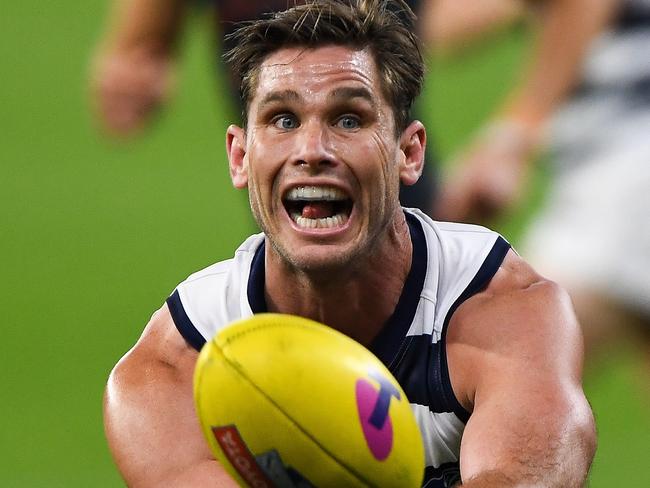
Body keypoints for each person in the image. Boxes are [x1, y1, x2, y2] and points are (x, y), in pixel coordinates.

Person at [103, 1, 596, 486]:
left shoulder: (501, 309)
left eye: (348, 120)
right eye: (283, 120)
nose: (312, 151)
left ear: (409, 152)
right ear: (239, 156)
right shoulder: (177, 362)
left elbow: (527, 473)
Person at [432, 0, 650, 367]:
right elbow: (443, 27)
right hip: (615, 157)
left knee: (496, 361)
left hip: (629, 158)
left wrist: (511, 138)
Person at [90, 0, 436, 213]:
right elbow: (136, 56)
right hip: (277, 172)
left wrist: (493, 145)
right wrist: (138, 59)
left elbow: (453, 21)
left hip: (382, 173)